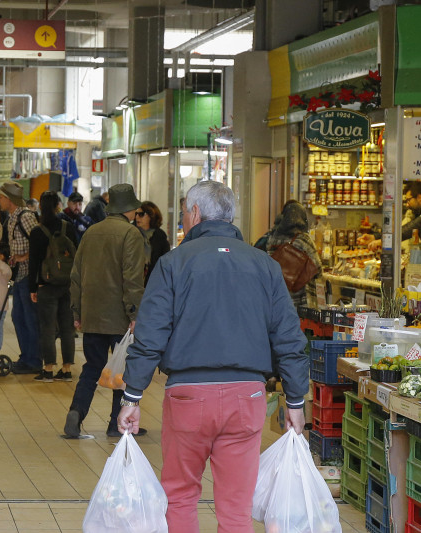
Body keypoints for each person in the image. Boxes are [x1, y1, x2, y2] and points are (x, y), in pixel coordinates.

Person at [117, 181, 309, 532]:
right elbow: (288, 336)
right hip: (247, 396)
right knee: (237, 508)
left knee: (179, 496)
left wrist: (132, 395)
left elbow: (151, 333)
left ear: (194, 213)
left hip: (188, 396)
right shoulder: (264, 265)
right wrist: (295, 401)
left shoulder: (173, 263)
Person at [64, 183, 147, 438]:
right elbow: (132, 279)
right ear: (130, 209)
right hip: (119, 318)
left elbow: (76, 275)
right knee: (121, 371)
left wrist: (77, 312)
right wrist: (135, 315)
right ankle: (116, 423)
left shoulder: (91, 232)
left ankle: (76, 413)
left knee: (92, 367)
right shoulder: (130, 234)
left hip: (92, 314)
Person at [28, 191, 78, 382]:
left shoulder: (37, 231)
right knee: (67, 328)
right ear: (58, 205)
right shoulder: (69, 227)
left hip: (46, 285)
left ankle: (48, 369)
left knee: (47, 328)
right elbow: (77, 255)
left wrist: (33, 288)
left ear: (40, 206)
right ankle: (66, 370)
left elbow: (34, 262)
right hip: (67, 284)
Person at [0, 181, 42, 374]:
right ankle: (26, 357)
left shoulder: (26, 217)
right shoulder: (12, 218)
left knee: (29, 319)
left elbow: (40, 244)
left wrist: (23, 256)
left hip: (29, 275)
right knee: (19, 317)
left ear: (8, 199)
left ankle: (34, 360)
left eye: (0, 197)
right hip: (20, 275)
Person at [265, 201, 321, 307]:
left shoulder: (272, 237)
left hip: (278, 296)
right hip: (300, 299)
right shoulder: (303, 239)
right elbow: (317, 268)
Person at [136, 201, 171, 286]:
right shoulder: (132, 233)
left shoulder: (160, 236)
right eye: (136, 214)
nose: (137, 217)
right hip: (134, 281)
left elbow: (164, 260)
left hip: (153, 282)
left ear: (151, 216)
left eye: (141, 214)